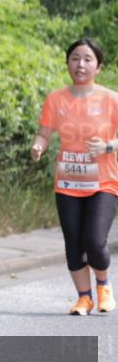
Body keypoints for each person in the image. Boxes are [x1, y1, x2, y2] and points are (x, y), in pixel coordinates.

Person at [32, 38, 118, 315]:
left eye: (87, 59)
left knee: (94, 240)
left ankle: (103, 285)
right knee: (73, 243)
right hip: (68, 181)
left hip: (103, 181)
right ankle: (84, 298)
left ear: (98, 67)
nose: (80, 64)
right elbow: (44, 132)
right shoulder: (56, 99)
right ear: (68, 63)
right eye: (75, 58)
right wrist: (38, 146)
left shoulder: (111, 99)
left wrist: (108, 147)